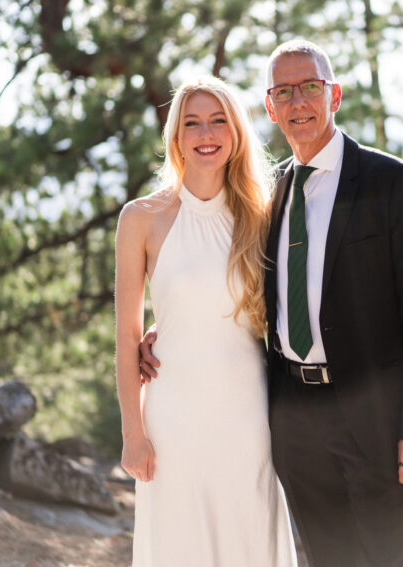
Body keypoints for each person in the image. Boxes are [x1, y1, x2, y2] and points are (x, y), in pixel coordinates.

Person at [142, 40, 403, 567]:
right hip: (293, 418)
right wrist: (164, 331)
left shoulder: (389, 180)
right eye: (284, 91)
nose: (298, 101)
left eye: (310, 87)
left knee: (389, 557)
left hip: (371, 413)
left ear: (334, 95)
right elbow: (233, 285)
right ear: (270, 107)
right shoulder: (269, 194)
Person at [114, 76, 296, 567]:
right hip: (172, 417)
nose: (205, 133)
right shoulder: (141, 218)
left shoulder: (263, 214)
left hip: (248, 415)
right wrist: (133, 432)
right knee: (180, 545)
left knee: (247, 541)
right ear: (176, 136)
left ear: (236, 132)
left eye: (218, 121)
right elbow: (128, 336)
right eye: (192, 123)